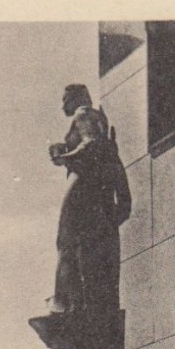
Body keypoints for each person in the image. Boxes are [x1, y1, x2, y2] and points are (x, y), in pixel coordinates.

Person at [48, 84, 133, 325]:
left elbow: (91, 143)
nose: (62, 105)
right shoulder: (98, 119)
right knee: (86, 245)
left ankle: (67, 304)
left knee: (67, 242)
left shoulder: (82, 114)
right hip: (97, 188)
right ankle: (80, 302)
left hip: (82, 185)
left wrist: (64, 158)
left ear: (77, 98)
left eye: (65, 99)